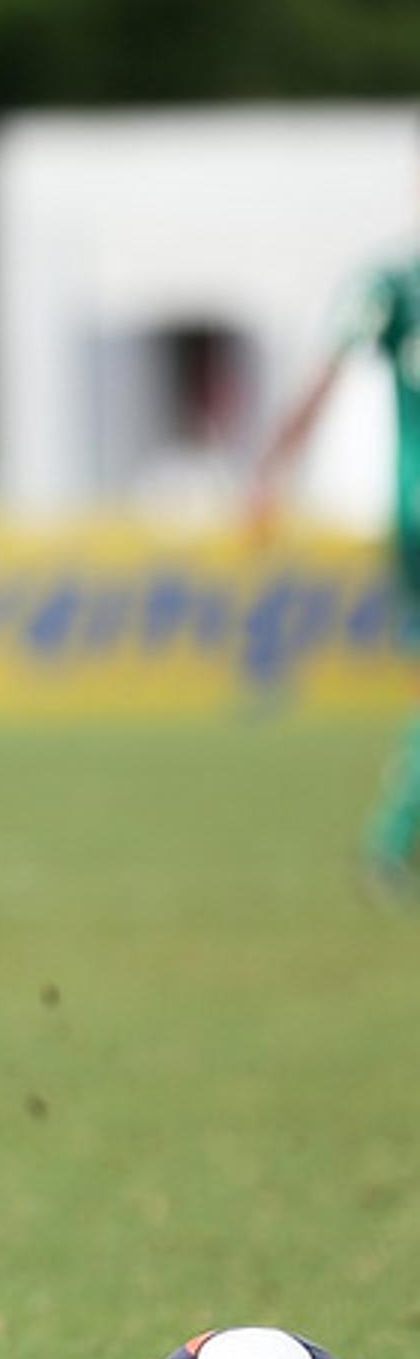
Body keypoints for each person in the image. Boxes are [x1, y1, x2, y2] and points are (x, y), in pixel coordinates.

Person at [251, 256, 420, 896]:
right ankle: (390, 839)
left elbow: (325, 374)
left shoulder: (390, 284)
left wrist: (271, 465)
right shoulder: (395, 286)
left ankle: (394, 838)